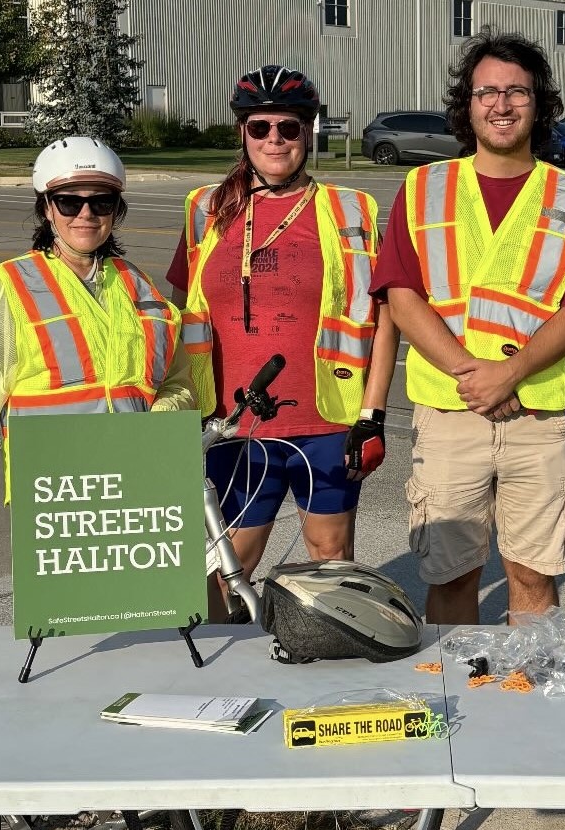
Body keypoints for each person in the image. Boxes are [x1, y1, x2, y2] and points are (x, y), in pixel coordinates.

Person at [370, 29, 565, 624]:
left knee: (533, 575)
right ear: (468, 103)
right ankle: (459, 699)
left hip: (535, 416)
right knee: (451, 577)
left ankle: (525, 698)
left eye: (518, 92)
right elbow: (403, 298)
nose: (502, 105)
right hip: (450, 414)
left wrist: (509, 373)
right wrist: (473, 376)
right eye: (488, 91)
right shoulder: (423, 188)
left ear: (540, 105)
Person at [166, 65, 398, 584]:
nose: (275, 140)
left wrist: (373, 415)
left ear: (308, 132)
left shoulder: (349, 210)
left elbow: (384, 321)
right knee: (225, 572)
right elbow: (182, 317)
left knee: (331, 558)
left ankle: (332, 659)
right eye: (260, 127)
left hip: (326, 421)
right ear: (242, 133)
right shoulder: (207, 209)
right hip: (231, 424)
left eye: (289, 127)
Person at [0, 137, 196, 500]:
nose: (86, 214)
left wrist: (162, 418)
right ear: (46, 209)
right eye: (69, 202)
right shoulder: (12, 287)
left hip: (140, 483)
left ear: (116, 210)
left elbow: (177, 382)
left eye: (101, 202)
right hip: (55, 497)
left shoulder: (141, 288)